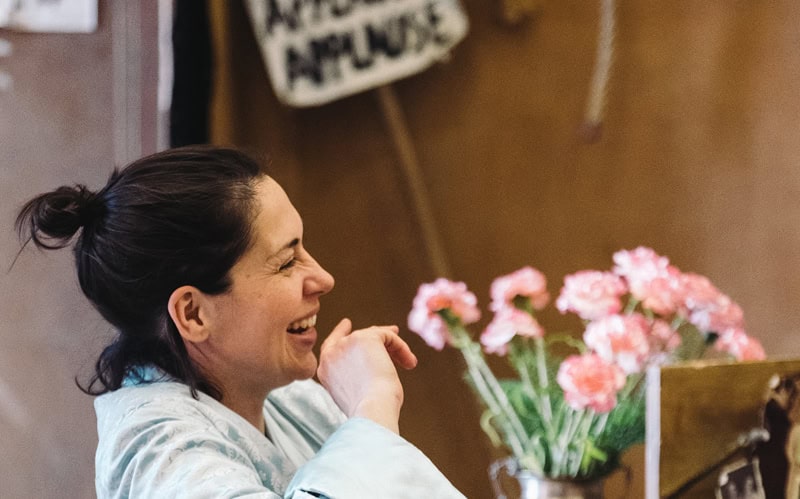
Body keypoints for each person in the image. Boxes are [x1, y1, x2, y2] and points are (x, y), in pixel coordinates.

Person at [16, 146, 465, 498]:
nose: (323, 279)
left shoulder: (291, 400)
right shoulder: (156, 452)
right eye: (288, 261)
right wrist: (372, 406)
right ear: (193, 313)